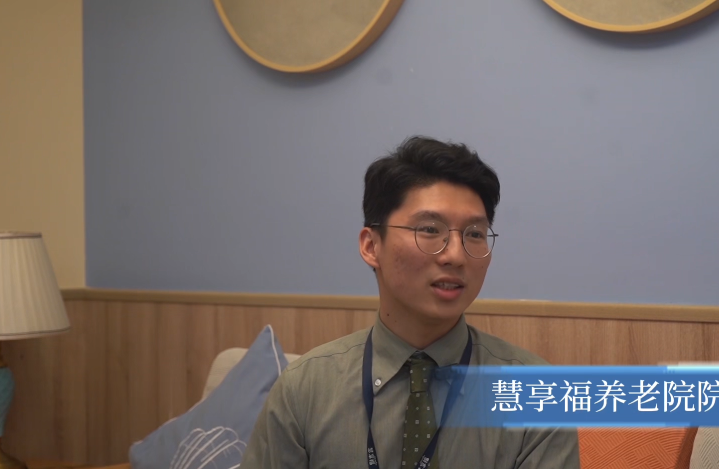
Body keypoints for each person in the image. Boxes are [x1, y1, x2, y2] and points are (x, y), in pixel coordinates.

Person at [240, 136, 580, 469]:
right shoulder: (303, 390)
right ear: (372, 246)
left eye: (475, 234)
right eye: (430, 230)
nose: (456, 255)